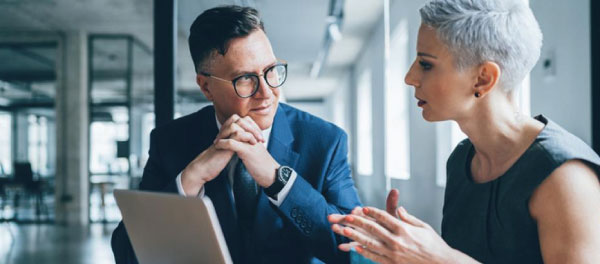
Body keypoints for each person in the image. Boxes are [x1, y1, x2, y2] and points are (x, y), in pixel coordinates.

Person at [329, 0, 600, 263]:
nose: (409, 77)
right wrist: (404, 253)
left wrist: (439, 258)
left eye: (426, 64)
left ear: (483, 78)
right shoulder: (461, 160)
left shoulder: (564, 178)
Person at [112, 5, 361, 264]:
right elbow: (127, 255)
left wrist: (279, 181)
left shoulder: (325, 141)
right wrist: (192, 178)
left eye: (271, 70)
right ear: (206, 87)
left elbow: (353, 247)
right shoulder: (170, 142)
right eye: (245, 79)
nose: (266, 92)